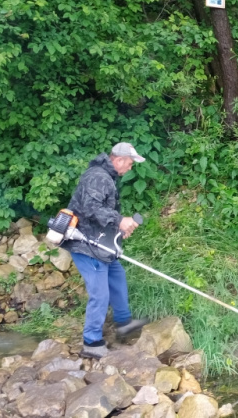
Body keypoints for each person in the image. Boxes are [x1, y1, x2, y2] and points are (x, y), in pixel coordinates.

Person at [62, 142, 149, 359]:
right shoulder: (98, 177)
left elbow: (100, 212)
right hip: (85, 243)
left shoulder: (105, 177)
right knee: (100, 293)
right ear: (118, 160)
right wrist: (119, 220)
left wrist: (119, 229)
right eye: (129, 164)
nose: (130, 168)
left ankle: (123, 323)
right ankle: (91, 342)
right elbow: (91, 208)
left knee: (117, 275)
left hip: (99, 241)